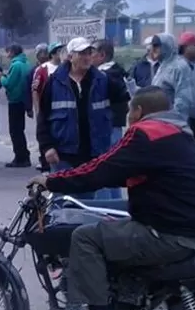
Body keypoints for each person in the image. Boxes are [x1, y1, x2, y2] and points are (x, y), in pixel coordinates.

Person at [30, 86, 195, 310]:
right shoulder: (180, 133)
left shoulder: (145, 133)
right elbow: (119, 171)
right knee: (112, 226)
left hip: (168, 233)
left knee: (85, 237)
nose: (128, 117)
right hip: (193, 227)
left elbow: (102, 169)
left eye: (130, 111)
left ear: (138, 111)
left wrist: (52, 181)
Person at [36, 37, 130, 200]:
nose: (87, 57)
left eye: (89, 53)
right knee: (61, 204)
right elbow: (43, 117)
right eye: (81, 54)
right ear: (70, 57)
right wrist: (47, 147)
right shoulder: (55, 82)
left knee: (88, 205)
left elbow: (124, 99)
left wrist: (108, 123)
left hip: (94, 156)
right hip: (63, 156)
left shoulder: (103, 80)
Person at [90, 39, 129, 200]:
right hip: (113, 126)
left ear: (102, 55)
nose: (89, 57)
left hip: (108, 127)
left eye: (91, 52)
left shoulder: (106, 76)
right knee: (111, 168)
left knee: (103, 168)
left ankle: (105, 207)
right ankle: (114, 203)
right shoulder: (117, 72)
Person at [32, 42, 64, 172]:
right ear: (54, 53)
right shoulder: (42, 69)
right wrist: (37, 110)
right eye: (60, 51)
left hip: (61, 111)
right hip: (46, 109)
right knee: (45, 136)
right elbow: (35, 90)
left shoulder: (66, 68)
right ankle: (45, 165)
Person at [1, 43, 32, 168]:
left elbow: (9, 83)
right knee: (20, 129)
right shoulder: (27, 64)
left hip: (14, 100)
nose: (7, 54)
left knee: (14, 131)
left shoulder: (16, 65)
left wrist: (1, 77)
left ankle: (20, 157)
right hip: (23, 100)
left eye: (8, 51)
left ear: (13, 52)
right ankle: (24, 155)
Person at [150, 33, 193, 120]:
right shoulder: (163, 65)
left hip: (171, 123)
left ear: (167, 46)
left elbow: (183, 99)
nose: (153, 49)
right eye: (152, 45)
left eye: (157, 46)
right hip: (159, 120)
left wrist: (176, 122)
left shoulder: (179, 66)